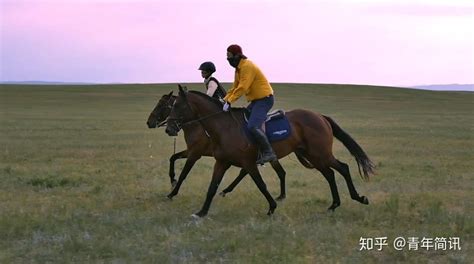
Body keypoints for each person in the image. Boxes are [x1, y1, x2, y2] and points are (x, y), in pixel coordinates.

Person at [222, 44, 277, 164]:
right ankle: (254, 150)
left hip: (264, 100)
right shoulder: (238, 69)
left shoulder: (247, 66)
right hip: (256, 101)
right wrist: (224, 100)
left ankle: (268, 152)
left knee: (252, 126)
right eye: (227, 56)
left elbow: (242, 87)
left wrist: (230, 101)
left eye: (229, 56)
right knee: (243, 121)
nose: (228, 59)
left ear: (237, 55)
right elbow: (234, 87)